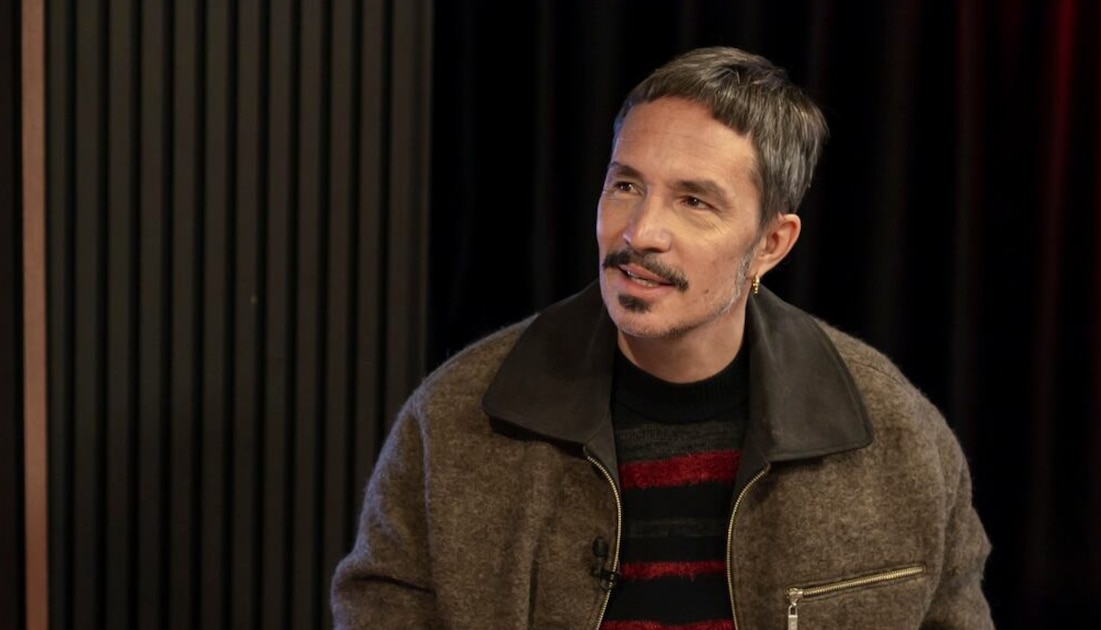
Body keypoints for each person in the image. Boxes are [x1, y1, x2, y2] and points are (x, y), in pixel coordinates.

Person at [331, 46, 994, 629]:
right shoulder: (455, 419)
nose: (640, 232)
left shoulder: (898, 436)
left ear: (771, 243)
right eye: (626, 185)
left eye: (694, 201)